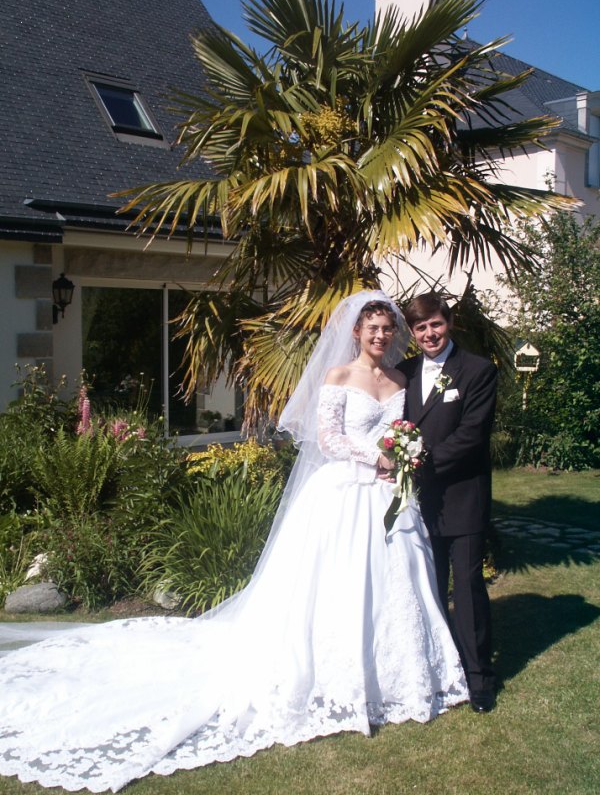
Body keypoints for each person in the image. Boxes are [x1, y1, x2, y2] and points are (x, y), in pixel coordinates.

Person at [0, 290, 467, 793]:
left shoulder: (402, 379)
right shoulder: (338, 378)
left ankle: (399, 677)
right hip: (343, 495)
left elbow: (404, 430)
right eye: (371, 328)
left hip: (387, 499)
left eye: (385, 329)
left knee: (394, 585)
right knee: (335, 586)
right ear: (355, 332)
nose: (380, 336)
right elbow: (327, 438)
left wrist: (398, 458)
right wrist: (373, 458)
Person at [396, 293, 497, 713]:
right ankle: (442, 669)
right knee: (429, 588)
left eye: (435, 324)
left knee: (469, 587)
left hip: (462, 498)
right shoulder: (403, 373)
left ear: (448, 322)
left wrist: (421, 461)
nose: (429, 334)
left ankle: (479, 678)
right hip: (417, 503)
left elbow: (473, 435)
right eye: (420, 328)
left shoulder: (477, 370)